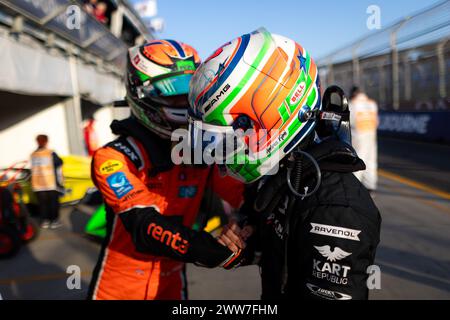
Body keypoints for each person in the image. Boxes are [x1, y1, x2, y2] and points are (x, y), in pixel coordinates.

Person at [188, 28, 381, 300]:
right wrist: (250, 238)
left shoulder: (335, 209)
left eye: (233, 135)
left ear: (273, 116)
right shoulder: (288, 173)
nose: (226, 150)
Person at [88, 39, 245, 300]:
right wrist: (206, 248)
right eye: (173, 92)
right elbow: (144, 226)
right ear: (139, 93)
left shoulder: (203, 151)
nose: (185, 102)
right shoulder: (113, 157)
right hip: (117, 289)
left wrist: (245, 226)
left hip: (172, 286)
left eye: (191, 91)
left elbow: (243, 194)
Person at [30, 135, 64, 229]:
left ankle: (45, 221)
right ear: (46, 142)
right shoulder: (50, 153)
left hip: (38, 184)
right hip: (50, 182)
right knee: (53, 203)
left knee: (42, 204)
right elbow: (59, 163)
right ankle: (54, 221)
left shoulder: (33, 154)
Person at [349, 86, 378, 193]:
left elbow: (349, 122)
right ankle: (371, 186)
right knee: (371, 160)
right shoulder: (372, 103)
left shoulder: (352, 104)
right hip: (371, 135)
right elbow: (377, 122)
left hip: (359, 137)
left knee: (358, 159)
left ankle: (355, 187)